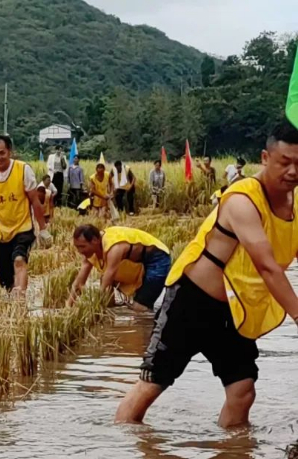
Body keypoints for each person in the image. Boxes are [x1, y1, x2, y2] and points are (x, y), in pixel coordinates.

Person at [115, 120, 298, 428]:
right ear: (265, 158)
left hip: (234, 310)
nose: (292, 171)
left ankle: (233, 452)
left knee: (243, 391)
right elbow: (266, 266)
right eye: (285, 162)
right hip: (191, 301)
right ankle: (120, 445)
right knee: (153, 383)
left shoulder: (296, 204)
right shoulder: (242, 200)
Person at [0, 135, 51, 295]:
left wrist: (43, 229)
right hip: (1, 231)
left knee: (19, 260)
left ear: (10, 151)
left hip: (23, 227)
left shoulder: (23, 170)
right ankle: (11, 301)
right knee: (5, 281)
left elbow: (35, 201)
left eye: (2, 153)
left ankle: (20, 300)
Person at [68, 224, 171, 312]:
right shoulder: (90, 252)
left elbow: (109, 275)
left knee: (139, 308)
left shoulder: (114, 247)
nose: (80, 251)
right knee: (105, 283)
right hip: (139, 260)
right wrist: (68, 305)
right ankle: (110, 309)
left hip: (158, 257)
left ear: (95, 240)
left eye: (82, 246)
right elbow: (79, 282)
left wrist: (96, 306)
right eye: (77, 247)